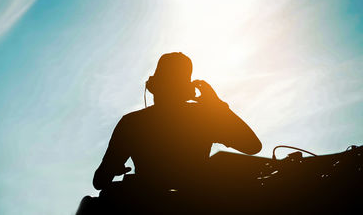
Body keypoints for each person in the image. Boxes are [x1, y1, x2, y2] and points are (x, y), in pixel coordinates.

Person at [93, 52, 262, 193]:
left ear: (153, 86)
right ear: (187, 90)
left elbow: (99, 181)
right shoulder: (205, 117)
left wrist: (113, 169)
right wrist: (218, 107)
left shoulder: (131, 122)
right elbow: (253, 146)